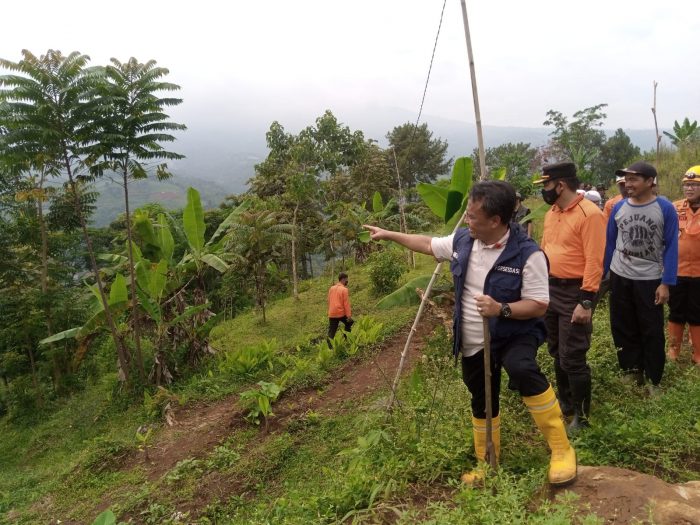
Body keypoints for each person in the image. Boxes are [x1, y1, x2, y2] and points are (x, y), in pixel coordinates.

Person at [364, 181, 577, 487]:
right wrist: (389, 235)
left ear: (496, 221)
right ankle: (487, 460)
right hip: (473, 338)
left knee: (522, 369)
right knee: (481, 395)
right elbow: (428, 244)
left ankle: (561, 449)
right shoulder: (463, 240)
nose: (466, 220)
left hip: (512, 332)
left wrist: (501, 308)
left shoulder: (527, 255)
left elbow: (539, 304)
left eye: (473, 216)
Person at [535, 162, 606, 432]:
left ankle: (582, 417)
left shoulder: (589, 215)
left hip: (575, 291)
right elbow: (545, 250)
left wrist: (586, 301)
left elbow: (594, 261)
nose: (544, 190)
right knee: (556, 350)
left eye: (546, 185)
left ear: (560, 184)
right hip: (550, 288)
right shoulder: (552, 213)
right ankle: (565, 403)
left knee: (573, 355)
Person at [603, 162, 679, 391]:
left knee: (651, 328)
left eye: (634, 179)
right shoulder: (619, 207)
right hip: (620, 274)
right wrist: (603, 276)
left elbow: (671, 247)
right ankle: (631, 370)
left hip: (649, 278)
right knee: (622, 324)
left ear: (649, 182)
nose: (628, 184)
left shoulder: (664, 208)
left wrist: (666, 283)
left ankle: (653, 378)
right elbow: (610, 242)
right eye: (626, 179)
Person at [667, 166, 700, 365]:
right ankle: (674, 351)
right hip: (676, 271)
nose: (689, 189)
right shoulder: (674, 207)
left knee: (697, 313)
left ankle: (698, 353)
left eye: (694, 185)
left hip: (699, 274)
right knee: (676, 311)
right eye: (687, 185)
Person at [327, 272, 353, 340]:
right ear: (343, 279)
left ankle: (330, 347)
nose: (347, 281)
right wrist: (349, 316)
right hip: (340, 313)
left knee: (331, 332)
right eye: (346, 279)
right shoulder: (344, 290)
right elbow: (346, 304)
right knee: (349, 323)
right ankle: (346, 339)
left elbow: (329, 300)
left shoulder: (331, 288)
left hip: (331, 313)